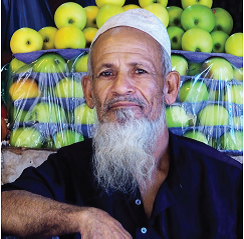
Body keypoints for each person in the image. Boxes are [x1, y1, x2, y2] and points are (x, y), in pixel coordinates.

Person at [1, 9, 242, 239]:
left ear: (169, 87)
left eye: (139, 71)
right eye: (106, 73)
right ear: (89, 92)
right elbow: (5, 207)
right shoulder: (68, 167)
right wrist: (83, 218)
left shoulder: (227, 179)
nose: (120, 87)